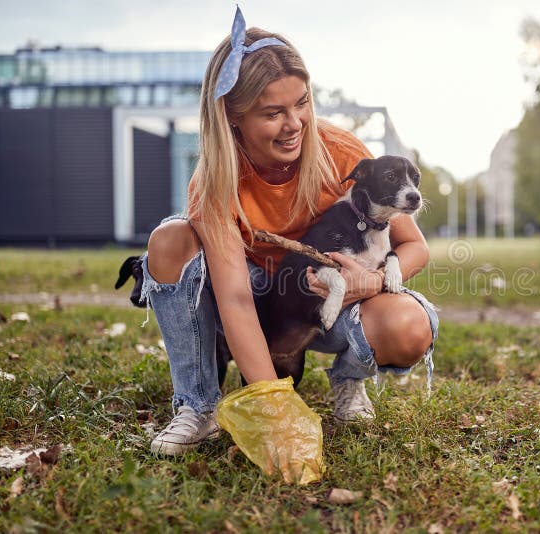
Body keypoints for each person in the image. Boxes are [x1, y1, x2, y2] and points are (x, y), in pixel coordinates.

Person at [139, 7, 438, 456]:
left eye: (301, 104)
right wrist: (274, 411)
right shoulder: (217, 179)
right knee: (170, 237)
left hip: (328, 303)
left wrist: (373, 280)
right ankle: (199, 406)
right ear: (233, 115)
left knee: (409, 327)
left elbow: (413, 245)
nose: (294, 123)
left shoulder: (339, 152)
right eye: (273, 112)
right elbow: (236, 299)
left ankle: (347, 383)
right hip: (257, 303)